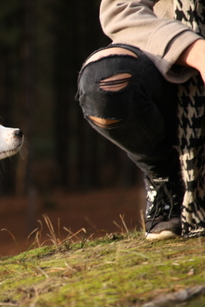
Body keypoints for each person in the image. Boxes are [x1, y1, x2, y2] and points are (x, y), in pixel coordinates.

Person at [77, 0, 205, 240]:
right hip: (174, 75)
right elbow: (121, 10)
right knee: (106, 80)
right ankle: (165, 177)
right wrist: (196, 51)